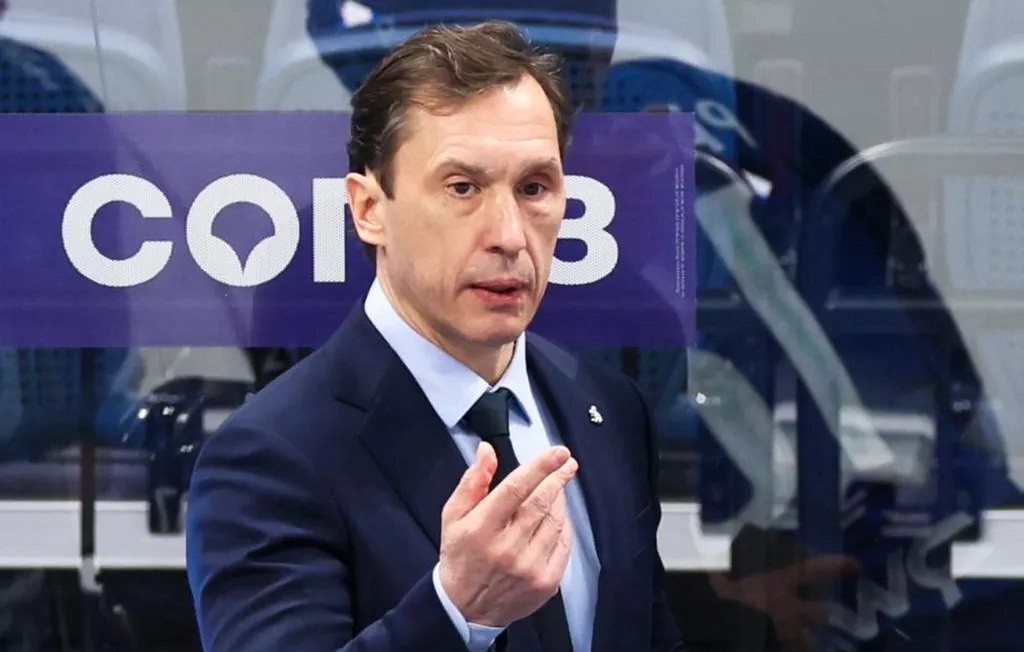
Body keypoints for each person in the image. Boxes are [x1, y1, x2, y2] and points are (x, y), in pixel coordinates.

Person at [186, 19, 685, 651]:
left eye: (534, 188)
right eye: (462, 188)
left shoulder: (610, 409)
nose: (509, 235)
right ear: (369, 209)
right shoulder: (269, 458)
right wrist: (458, 611)